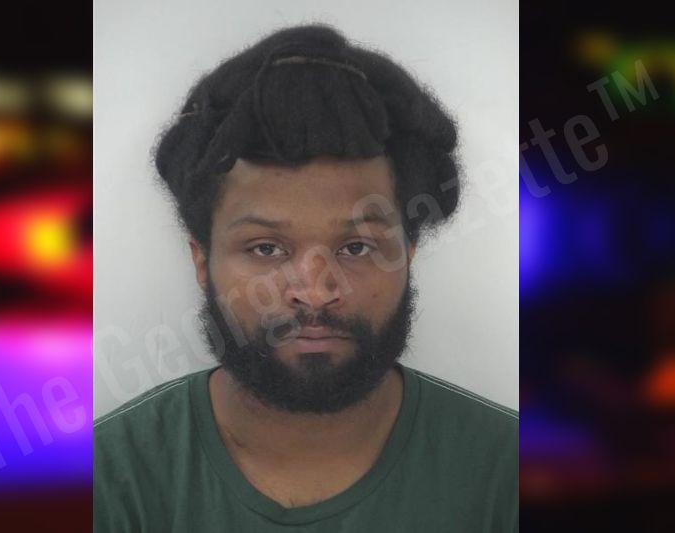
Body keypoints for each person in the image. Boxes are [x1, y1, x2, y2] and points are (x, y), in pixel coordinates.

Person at [94, 23, 517, 532]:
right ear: (201, 261)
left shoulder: (509, 474)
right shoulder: (106, 481)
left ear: (408, 253)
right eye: (266, 248)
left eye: (356, 247)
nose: (314, 292)